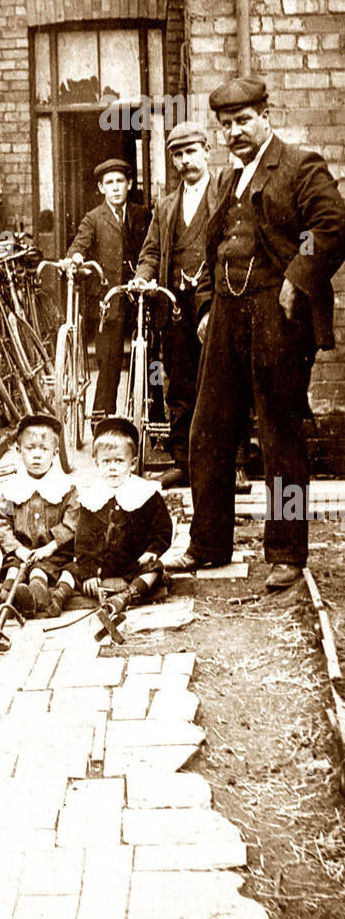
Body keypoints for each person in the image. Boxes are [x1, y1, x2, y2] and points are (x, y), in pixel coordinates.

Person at [165, 76, 345, 589]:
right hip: (226, 314)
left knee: (278, 437)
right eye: (226, 125)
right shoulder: (228, 180)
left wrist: (297, 278)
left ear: (266, 115)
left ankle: (287, 553)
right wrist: (205, 306)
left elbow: (331, 226)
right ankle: (208, 543)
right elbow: (210, 245)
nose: (235, 133)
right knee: (208, 429)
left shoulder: (298, 166)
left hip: (277, 317)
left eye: (243, 121)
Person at [131, 120, 224, 489]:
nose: (185, 161)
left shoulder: (224, 193)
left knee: (222, 382)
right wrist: (143, 274)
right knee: (180, 385)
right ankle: (184, 462)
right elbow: (151, 250)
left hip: (216, 302)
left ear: (206, 151)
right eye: (178, 155)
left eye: (190, 152)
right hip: (175, 308)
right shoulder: (167, 205)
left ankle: (229, 464)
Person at [64, 159, 149, 418]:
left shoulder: (142, 214)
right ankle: (102, 420)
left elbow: (153, 246)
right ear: (101, 188)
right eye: (109, 183)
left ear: (130, 184)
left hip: (139, 296)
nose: (115, 188)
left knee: (148, 358)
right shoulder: (94, 218)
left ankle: (152, 421)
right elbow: (79, 245)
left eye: (120, 182)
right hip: (109, 301)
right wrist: (76, 257)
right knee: (109, 361)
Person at [72, 417, 174, 627]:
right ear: (97, 463)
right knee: (69, 570)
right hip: (103, 569)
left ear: (133, 463)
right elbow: (83, 540)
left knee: (154, 569)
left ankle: (127, 595)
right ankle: (56, 598)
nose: (112, 468)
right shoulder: (92, 497)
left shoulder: (146, 493)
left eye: (119, 461)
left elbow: (162, 530)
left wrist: (151, 552)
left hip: (133, 565)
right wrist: (90, 573)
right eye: (106, 462)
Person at [0, 412, 79, 618]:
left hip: (52, 554)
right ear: (19, 450)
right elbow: (1, 523)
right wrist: (18, 550)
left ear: (55, 452)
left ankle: (37, 595)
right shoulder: (11, 489)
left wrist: (50, 547)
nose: (37, 455)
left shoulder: (65, 488)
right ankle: (5, 596)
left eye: (44, 449)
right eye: (30, 448)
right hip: (21, 552)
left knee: (38, 571)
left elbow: (72, 522)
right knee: (13, 570)